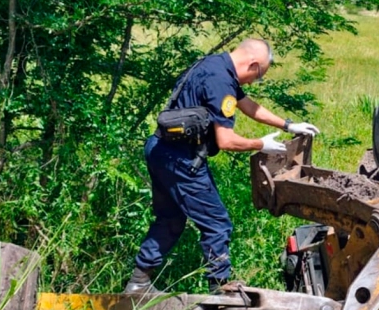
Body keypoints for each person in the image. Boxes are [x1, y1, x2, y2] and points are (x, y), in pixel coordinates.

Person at [125, 38, 319, 294]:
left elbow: (247, 104)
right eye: (258, 76)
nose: (252, 82)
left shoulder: (214, 65)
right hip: (181, 160)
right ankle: (219, 289)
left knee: (171, 218)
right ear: (252, 64)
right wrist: (260, 144)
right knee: (217, 223)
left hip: (160, 151)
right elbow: (225, 140)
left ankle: (138, 283)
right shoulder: (221, 81)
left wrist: (287, 125)